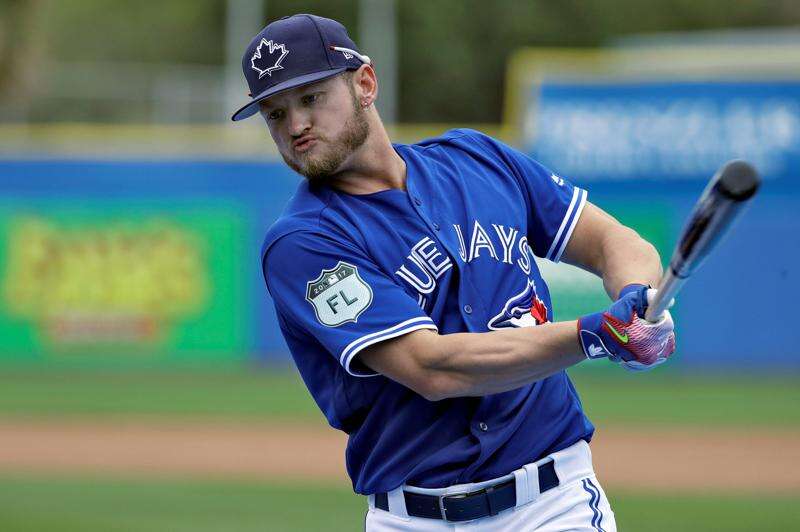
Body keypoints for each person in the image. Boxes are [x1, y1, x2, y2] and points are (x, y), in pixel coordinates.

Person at [232, 14, 675, 531]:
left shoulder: (476, 159)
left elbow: (613, 241)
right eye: (274, 113)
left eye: (310, 98)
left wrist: (637, 300)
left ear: (365, 84)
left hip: (554, 505)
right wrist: (595, 336)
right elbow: (432, 369)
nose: (295, 126)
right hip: (415, 517)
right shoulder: (303, 242)